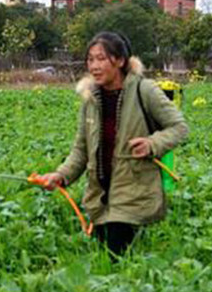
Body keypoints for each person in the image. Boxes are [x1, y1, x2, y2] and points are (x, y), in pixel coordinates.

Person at [40, 32, 189, 257]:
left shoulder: (144, 90)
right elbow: (81, 150)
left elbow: (179, 128)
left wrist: (152, 143)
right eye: (90, 59)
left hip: (134, 195)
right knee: (104, 257)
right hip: (100, 200)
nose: (94, 66)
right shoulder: (90, 100)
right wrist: (60, 176)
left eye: (101, 58)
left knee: (114, 256)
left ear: (119, 60)